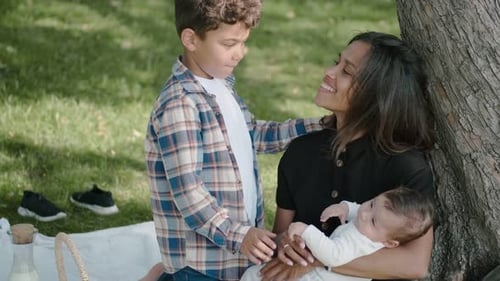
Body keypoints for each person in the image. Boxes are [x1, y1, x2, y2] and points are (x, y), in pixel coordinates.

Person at [143, 1, 324, 280]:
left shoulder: (221, 85)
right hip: (199, 265)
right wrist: (240, 236)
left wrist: (319, 126)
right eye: (229, 44)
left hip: (234, 257)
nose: (239, 53)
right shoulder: (180, 105)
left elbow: (253, 134)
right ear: (191, 39)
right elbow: (190, 195)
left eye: (243, 42)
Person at [258, 31, 436, 281]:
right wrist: (286, 246)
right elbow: (280, 233)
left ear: (376, 95)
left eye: (347, 72)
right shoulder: (300, 151)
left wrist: (320, 258)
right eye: (337, 62)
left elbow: (414, 264)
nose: (329, 72)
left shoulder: (406, 166)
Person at [240, 187, 434, 281]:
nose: (365, 214)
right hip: (317, 274)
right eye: (372, 203)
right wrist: (344, 208)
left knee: (255, 276)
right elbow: (359, 210)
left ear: (390, 243)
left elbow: (333, 255)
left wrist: (305, 230)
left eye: (373, 221)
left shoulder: (360, 242)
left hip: (320, 278)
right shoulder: (371, 226)